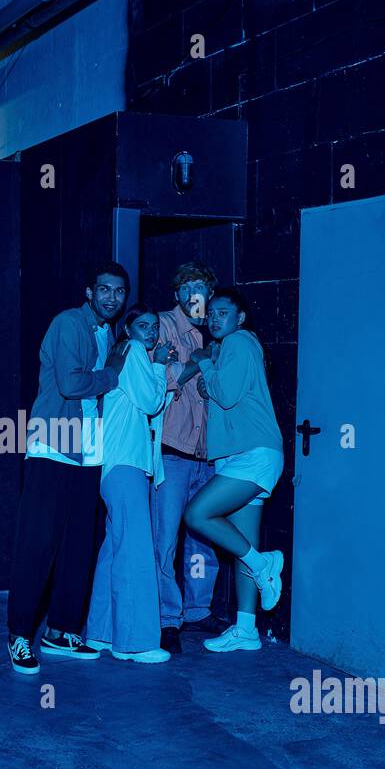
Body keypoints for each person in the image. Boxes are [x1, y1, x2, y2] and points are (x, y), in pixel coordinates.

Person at [6, 264, 129, 675]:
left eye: (119, 292)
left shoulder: (107, 332)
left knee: (78, 548)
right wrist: (112, 373)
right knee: (38, 545)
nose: (112, 298)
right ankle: (19, 635)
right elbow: (71, 385)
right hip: (53, 447)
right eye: (105, 290)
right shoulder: (68, 323)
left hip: (88, 454)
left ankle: (61, 631)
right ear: (90, 291)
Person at [183, 287, 284, 652]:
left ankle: (265, 563)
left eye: (222, 312)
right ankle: (246, 629)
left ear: (240, 318)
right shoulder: (232, 349)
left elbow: (224, 394)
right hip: (238, 455)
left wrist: (205, 361)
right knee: (244, 545)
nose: (214, 318)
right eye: (211, 313)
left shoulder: (239, 342)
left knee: (197, 514)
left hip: (253, 454)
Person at [86, 306, 172, 663]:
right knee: (135, 549)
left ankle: (103, 633)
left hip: (114, 465)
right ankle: (135, 643)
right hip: (126, 464)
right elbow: (151, 402)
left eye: (154, 327)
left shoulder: (120, 353)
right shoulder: (135, 351)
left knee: (114, 549)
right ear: (129, 329)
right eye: (142, 326)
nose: (150, 333)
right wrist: (159, 365)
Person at [150, 263, 220, 656]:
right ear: (177, 292)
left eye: (203, 286)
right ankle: (166, 619)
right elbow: (160, 377)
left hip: (206, 454)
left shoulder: (216, 329)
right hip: (171, 452)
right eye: (189, 286)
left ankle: (197, 609)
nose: (196, 293)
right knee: (165, 539)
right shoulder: (160, 325)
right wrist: (198, 360)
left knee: (202, 536)